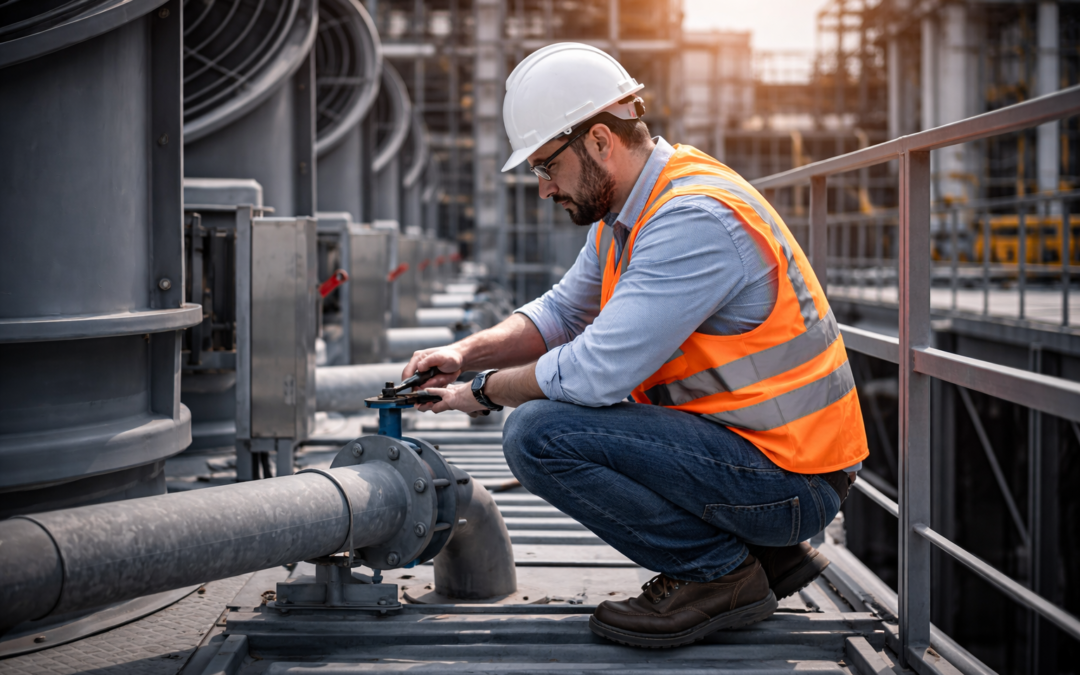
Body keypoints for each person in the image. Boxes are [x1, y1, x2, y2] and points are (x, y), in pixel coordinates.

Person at [402, 43, 869, 648]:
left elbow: (595, 371)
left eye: (546, 166)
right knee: (548, 414)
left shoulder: (692, 219)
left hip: (792, 480)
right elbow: (564, 311)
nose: (542, 188)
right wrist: (466, 354)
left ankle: (718, 574)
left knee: (538, 434)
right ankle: (762, 555)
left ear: (599, 141)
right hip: (761, 454)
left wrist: (484, 394)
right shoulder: (631, 209)